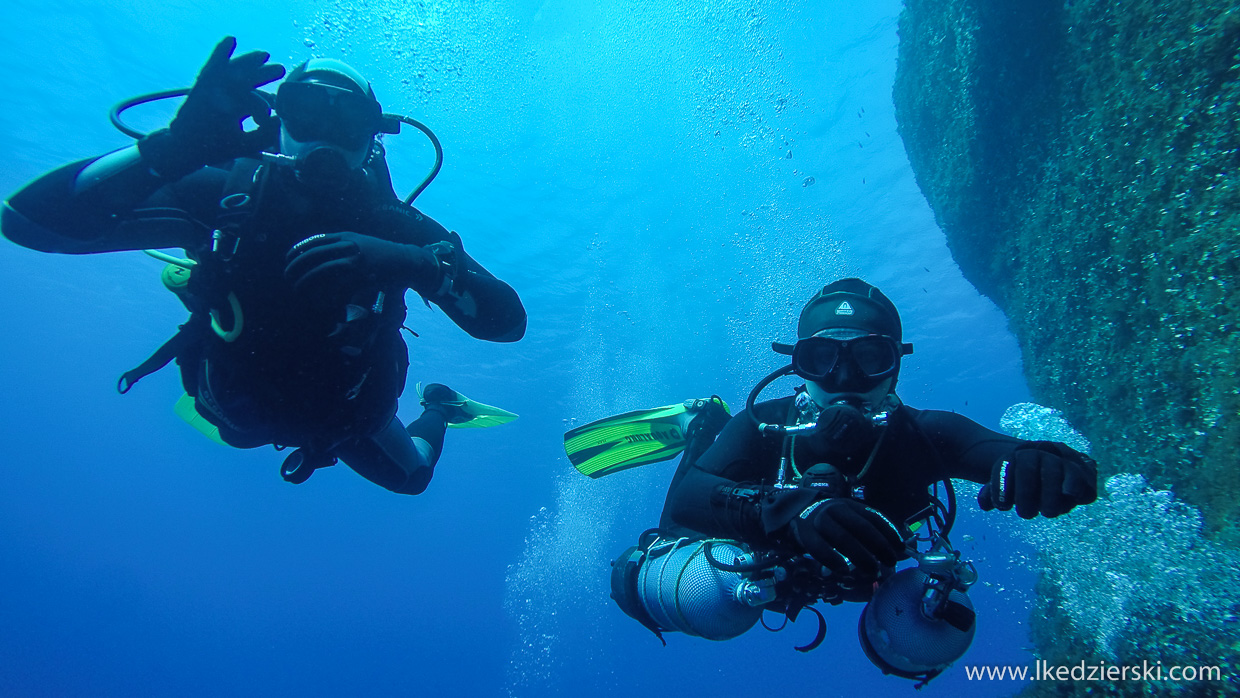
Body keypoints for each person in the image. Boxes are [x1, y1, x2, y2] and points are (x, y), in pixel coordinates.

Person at [1, 37, 526, 494]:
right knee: (241, 430)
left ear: (372, 137)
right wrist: (168, 151)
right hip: (236, 407)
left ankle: (437, 406)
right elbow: (26, 222)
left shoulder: (397, 225)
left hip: (352, 418)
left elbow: (507, 325)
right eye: (307, 113)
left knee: (413, 478)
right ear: (279, 121)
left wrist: (418, 264)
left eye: (346, 123)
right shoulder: (228, 194)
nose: (324, 136)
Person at [575, 278, 1096, 683]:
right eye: (823, 359)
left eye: (869, 358)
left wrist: (1045, 464)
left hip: (860, 572)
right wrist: (782, 511)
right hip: (756, 557)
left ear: (894, 368)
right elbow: (686, 505)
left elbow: (1009, 454)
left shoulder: (922, 435)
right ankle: (702, 425)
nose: (844, 381)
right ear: (799, 368)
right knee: (682, 592)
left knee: (921, 642)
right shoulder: (766, 426)